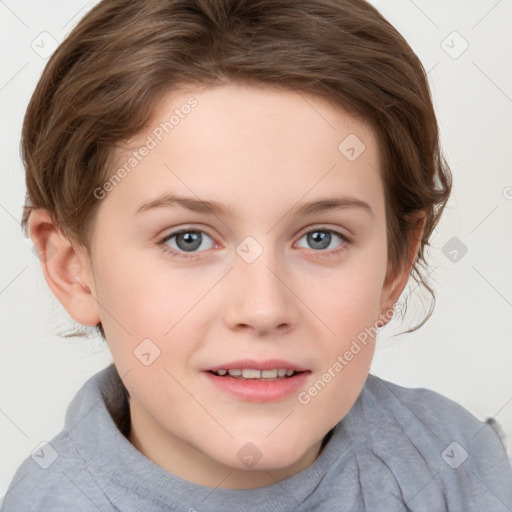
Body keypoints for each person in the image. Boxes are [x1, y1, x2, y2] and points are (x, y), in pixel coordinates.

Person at [2, 0, 511, 510]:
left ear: (394, 267)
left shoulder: (457, 466)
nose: (264, 309)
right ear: (74, 270)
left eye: (321, 238)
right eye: (188, 239)